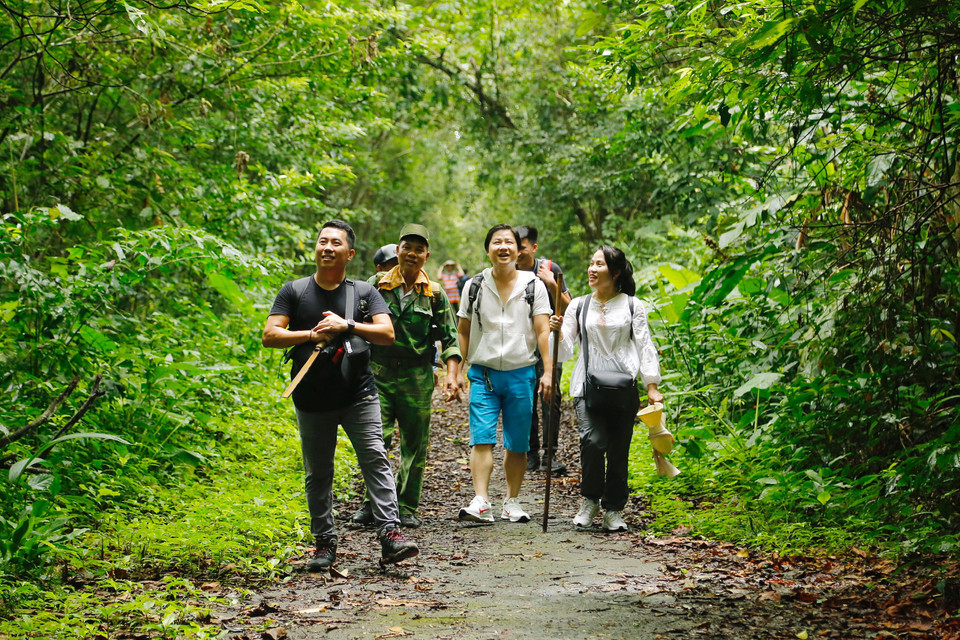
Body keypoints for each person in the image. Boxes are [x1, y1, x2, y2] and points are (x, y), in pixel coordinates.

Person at [262, 219, 419, 571]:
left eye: (336, 243)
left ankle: (390, 535)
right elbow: (270, 335)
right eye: (322, 241)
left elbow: (387, 333)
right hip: (311, 397)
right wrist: (311, 335)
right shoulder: (295, 290)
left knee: (375, 458)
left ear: (349, 253)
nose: (327, 247)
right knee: (318, 471)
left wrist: (346, 326)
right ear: (315, 248)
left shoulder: (364, 292)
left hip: (358, 394)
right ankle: (324, 542)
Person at [352, 224, 463, 529]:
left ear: (426, 255)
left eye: (418, 249)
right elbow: (354, 324)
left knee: (415, 444)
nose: (412, 254)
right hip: (378, 373)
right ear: (397, 250)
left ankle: (406, 504)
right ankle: (371, 503)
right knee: (377, 440)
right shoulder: (375, 285)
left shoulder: (435, 294)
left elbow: (450, 339)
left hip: (417, 376)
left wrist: (453, 375)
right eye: (406, 247)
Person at [549, 245, 663, 532]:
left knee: (618, 448)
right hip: (587, 385)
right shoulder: (579, 305)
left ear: (615, 272)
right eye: (591, 263)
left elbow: (644, 345)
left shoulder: (633, 305)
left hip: (624, 386)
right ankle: (589, 501)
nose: (592, 269)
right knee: (592, 440)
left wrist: (652, 385)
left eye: (598, 264)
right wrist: (556, 331)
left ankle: (613, 509)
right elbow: (563, 351)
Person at [456, 224, 553, 524]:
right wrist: (458, 369)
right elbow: (463, 330)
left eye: (509, 242)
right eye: (496, 242)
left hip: (521, 372)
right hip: (483, 373)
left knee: (517, 442)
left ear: (518, 249)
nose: (503, 247)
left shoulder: (533, 285)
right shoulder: (474, 285)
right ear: (488, 249)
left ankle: (512, 501)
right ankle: (481, 500)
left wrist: (548, 371)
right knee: (481, 438)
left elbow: (542, 329)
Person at [514, 225, 572, 475]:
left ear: (534, 248)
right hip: (520, 345)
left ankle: (550, 455)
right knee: (525, 399)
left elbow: (569, 307)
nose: (517, 252)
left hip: (549, 343)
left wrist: (551, 284)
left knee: (551, 398)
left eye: (522, 248)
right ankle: (530, 454)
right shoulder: (508, 272)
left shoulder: (550, 269)